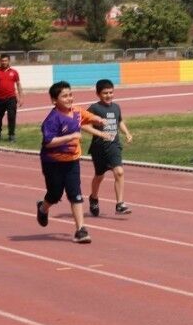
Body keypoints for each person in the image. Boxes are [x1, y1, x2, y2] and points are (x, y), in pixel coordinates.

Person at [36, 81, 111, 244]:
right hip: (53, 162)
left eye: (70, 95)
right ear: (54, 100)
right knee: (54, 194)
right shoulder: (52, 119)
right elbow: (49, 142)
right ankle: (43, 208)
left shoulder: (76, 111)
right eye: (64, 96)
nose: (69, 98)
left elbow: (87, 117)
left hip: (72, 161)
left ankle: (81, 230)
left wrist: (98, 120)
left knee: (75, 193)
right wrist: (70, 137)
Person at [87, 79, 135, 216]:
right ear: (98, 94)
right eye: (105, 93)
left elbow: (119, 121)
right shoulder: (94, 108)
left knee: (119, 172)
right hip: (99, 148)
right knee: (99, 176)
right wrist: (100, 133)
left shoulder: (116, 107)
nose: (108, 95)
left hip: (114, 146)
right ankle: (93, 198)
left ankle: (120, 204)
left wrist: (127, 133)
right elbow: (85, 125)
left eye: (111, 92)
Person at [0, 53, 23, 141]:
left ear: (9, 61)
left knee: (11, 116)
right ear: (0, 61)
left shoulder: (14, 72)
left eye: (5, 61)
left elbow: (18, 84)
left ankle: (11, 135)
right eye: (2, 61)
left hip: (11, 98)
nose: (4, 62)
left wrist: (21, 97)